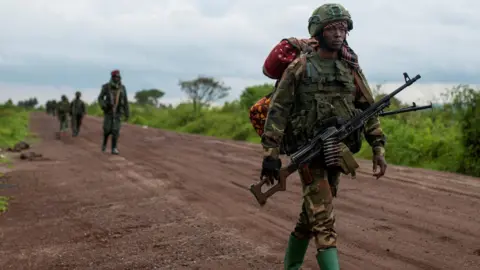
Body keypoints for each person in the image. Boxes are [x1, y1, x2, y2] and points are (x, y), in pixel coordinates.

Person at [259, 4, 388, 270]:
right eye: (332, 28)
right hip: (309, 152)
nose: (339, 34)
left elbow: (368, 108)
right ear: (319, 31)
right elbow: (278, 111)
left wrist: (378, 147)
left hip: (335, 151)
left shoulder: (349, 67)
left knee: (313, 215)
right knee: (324, 220)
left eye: (343, 28)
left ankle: (291, 266)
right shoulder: (300, 66)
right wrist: (270, 155)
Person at [97, 69, 129, 154]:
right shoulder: (106, 87)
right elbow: (100, 98)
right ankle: (104, 144)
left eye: (118, 77)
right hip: (108, 112)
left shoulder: (122, 88)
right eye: (115, 77)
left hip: (118, 112)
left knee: (115, 130)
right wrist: (103, 105)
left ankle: (114, 148)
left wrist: (127, 113)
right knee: (107, 130)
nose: (117, 78)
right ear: (112, 77)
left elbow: (125, 101)